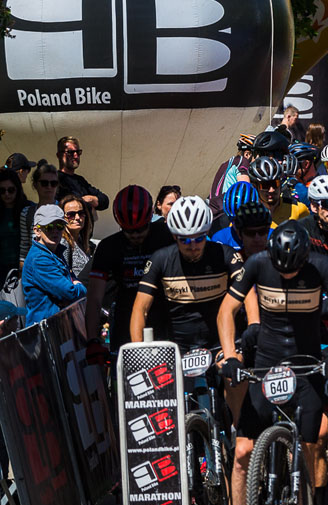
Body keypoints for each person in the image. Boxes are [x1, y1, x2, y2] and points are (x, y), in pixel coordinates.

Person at [216, 221, 328, 505]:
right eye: (282, 269)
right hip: (266, 364)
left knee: (307, 451)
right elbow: (225, 312)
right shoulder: (258, 264)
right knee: (243, 451)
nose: (289, 275)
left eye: (294, 270)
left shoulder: (321, 266)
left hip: (305, 366)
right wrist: (231, 356)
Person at [132, 196, 242, 351]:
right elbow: (140, 308)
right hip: (177, 348)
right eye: (185, 240)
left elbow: (248, 292)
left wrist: (253, 325)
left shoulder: (224, 254)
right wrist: (138, 351)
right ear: (174, 236)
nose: (193, 246)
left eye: (199, 238)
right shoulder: (161, 258)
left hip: (220, 344)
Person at [85, 186, 172, 359]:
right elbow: (94, 298)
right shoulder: (108, 247)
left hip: (164, 322)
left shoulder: (166, 236)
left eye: (141, 229)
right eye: (129, 231)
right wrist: (92, 340)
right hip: (125, 324)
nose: (136, 235)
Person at [21, 204, 86, 325]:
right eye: (49, 227)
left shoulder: (55, 252)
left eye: (60, 226)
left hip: (59, 327)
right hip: (44, 333)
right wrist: (81, 287)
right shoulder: (40, 259)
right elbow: (69, 293)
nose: (55, 231)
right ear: (37, 231)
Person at [55, 136, 108, 220]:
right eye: (70, 152)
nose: (75, 156)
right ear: (59, 155)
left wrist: (90, 199)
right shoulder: (54, 180)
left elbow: (105, 200)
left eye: (78, 152)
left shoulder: (80, 181)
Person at [19, 162, 60, 266]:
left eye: (53, 183)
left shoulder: (66, 212)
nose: (49, 187)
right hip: (34, 273)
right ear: (35, 185)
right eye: (44, 183)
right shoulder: (27, 213)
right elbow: (24, 252)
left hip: (60, 273)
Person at [0, 169, 29, 280]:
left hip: (23, 270)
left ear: (17, 189)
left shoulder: (27, 210)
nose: (6, 194)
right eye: (2, 190)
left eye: (11, 190)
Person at [58, 194, 94, 280]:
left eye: (81, 213)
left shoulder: (82, 242)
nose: (77, 218)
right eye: (71, 214)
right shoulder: (63, 243)